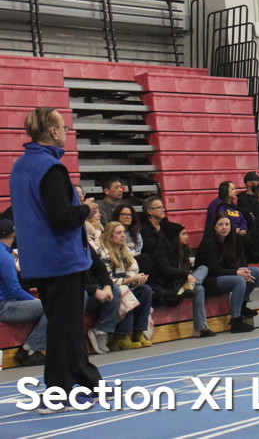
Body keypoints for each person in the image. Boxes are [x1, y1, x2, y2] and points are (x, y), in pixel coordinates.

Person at [10, 107, 103, 410]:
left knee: (67, 324)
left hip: (39, 260)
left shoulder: (20, 166)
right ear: (52, 132)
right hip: (61, 259)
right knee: (64, 328)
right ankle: (57, 390)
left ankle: (89, 382)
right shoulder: (51, 168)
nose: (66, 132)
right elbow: (61, 218)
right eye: (64, 127)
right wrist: (85, 210)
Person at [195, 214, 259, 333]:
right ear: (215, 227)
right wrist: (236, 272)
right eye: (220, 224)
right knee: (239, 280)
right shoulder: (208, 243)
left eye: (227, 224)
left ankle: (241, 306)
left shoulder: (231, 240)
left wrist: (242, 270)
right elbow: (213, 270)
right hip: (209, 280)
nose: (224, 227)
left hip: (223, 275)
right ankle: (236, 321)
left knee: (256, 271)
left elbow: (232, 263)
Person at [97, 221, 154, 350]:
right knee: (125, 291)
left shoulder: (126, 251)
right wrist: (130, 280)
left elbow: (132, 273)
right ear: (110, 236)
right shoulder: (103, 253)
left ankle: (138, 332)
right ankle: (123, 335)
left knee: (145, 290)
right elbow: (107, 280)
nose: (123, 235)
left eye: (123, 232)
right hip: (109, 288)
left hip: (125, 284)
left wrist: (138, 279)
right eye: (118, 233)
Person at [149, 227, 214, 338]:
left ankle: (201, 327)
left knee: (203, 269)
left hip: (183, 284)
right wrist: (186, 275)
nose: (187, 237)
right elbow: (165, 270)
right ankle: (201, 327)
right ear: (175, 236)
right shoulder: (161, 250)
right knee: (199, 288)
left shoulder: (184, 249)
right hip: (170, 286)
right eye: (183, 234)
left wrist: (189, 274)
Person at [0, 218, 47, 366]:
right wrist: (34, 300)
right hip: (4, 306)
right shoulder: (4, 256)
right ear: (14, 234)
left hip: (5, 303)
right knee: (50, 308)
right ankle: (32, 349)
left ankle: (28, 349)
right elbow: (14, 290)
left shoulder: (5, 254)